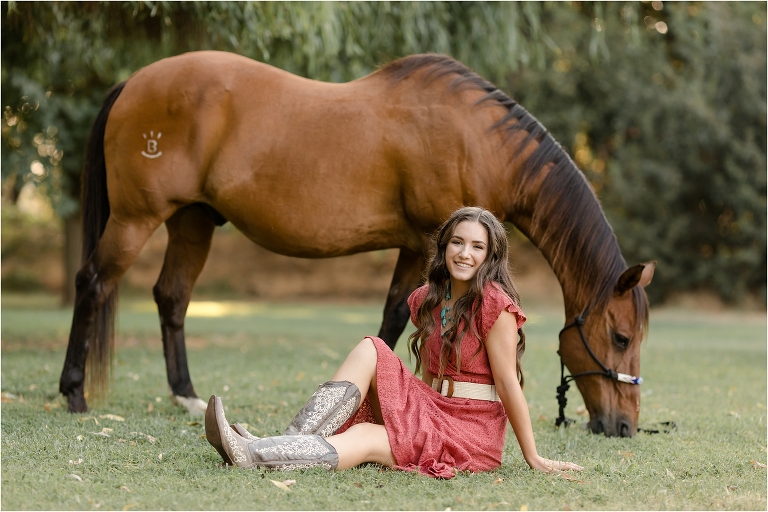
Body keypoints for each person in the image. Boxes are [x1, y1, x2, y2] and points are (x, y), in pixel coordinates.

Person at [205, 206, 584, 478]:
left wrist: (533, 456)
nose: (465, 253)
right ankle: (278, 444)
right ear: (445, 246)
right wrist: (410, 407)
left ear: (490, 256)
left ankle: (256, 454)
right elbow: (428, 372)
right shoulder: (427, 300)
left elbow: (508, 384)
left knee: (367, 436)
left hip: (470, 431)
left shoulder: (495, 306)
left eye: (477, 246)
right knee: (372, 346)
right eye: (457, 242)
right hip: (433, 406)